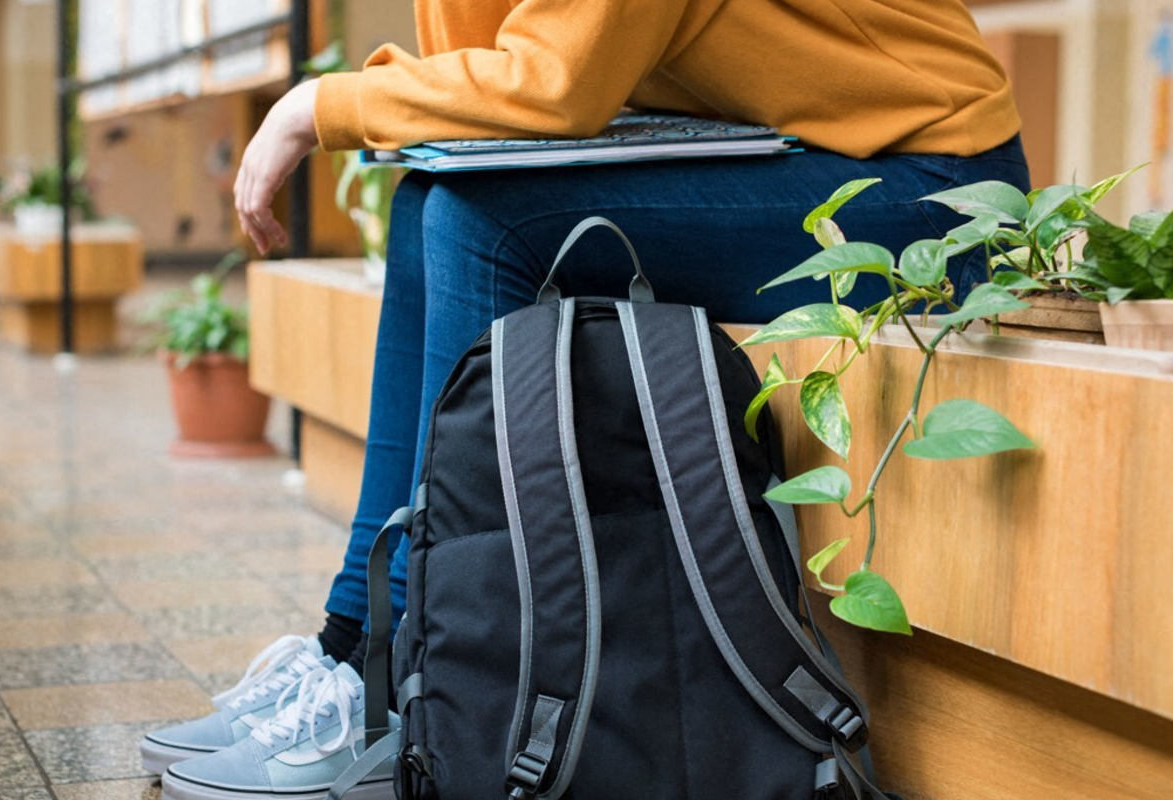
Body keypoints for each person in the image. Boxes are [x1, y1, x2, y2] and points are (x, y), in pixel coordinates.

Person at [145, 1, 1030, 798]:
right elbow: (487, 67)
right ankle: (358, 650)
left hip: (931, 191)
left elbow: (551, 88)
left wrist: (315, 106)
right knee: (431, 200)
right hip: (819, 150)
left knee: (479, 221)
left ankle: (427, 686)